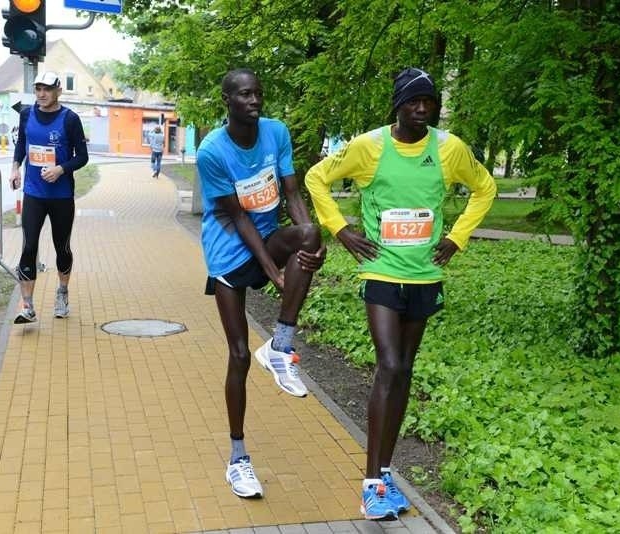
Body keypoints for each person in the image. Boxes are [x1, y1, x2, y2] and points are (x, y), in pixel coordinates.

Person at [305, 67, 496, 521]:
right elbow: (316, 178)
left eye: (429, 102)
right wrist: (342, 230)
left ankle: (385, 472)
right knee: (389, 363)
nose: (423, 109)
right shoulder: (369, 146)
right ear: (397, 105)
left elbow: (485, 188)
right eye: (414, 102)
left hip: (425, 275)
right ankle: (372, 484)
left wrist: (458, 237)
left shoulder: (449, 149)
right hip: (382, 271)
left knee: (404, 370)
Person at [197, 68, 326, 499]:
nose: (255, 101)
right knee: (237, 354)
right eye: (246, 95)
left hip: (268, 237)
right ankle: (238, 459)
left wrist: (312, 240)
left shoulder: (276, 133)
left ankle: (281, 345)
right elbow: (237, 217)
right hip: (230, 253)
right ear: (227, 100)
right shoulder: (212, 151)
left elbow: (291, 193)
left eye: (259, 93)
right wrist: (273, 271)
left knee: (308, 236)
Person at [9, 70, 89, 324]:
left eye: (47, 89)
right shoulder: (26, 114)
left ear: (58, 91)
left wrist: (61, 169)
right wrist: (14, 168)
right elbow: (22, 143)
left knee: (61, 247)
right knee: (29, 246)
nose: (42, 94)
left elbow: (82, 156)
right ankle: (27, 306)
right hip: (33, 193)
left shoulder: (70, 119)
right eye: (38, 89)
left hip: (61, 195)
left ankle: (62, 293)